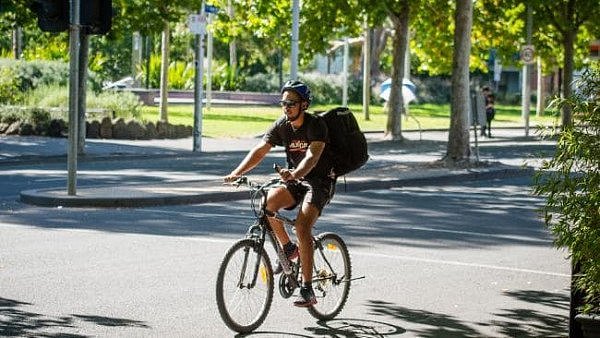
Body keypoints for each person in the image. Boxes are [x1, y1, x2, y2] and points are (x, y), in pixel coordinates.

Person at [223, 80, 336, 307]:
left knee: (302, 227)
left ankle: (307, 289)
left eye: (291, 103)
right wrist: (236, 173)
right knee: (266, 205)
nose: (286, 107)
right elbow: (260, 150)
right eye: (283, 103)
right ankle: (288, 249)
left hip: (319, 182)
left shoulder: (316, 125)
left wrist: (295, 174)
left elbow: (311, 158)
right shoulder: (282, 125)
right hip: (295, 180)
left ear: (304, 104)